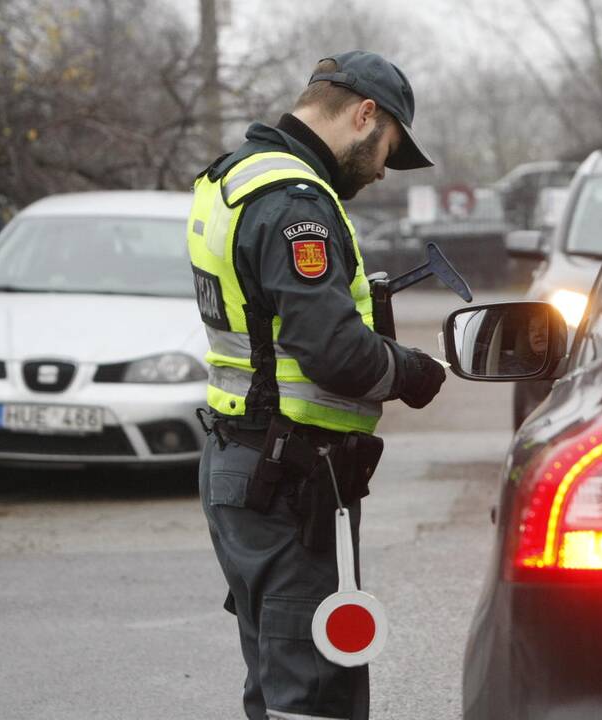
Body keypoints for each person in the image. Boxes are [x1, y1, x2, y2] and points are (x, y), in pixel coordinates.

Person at [186, 50, 446, 720]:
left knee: (277, 684)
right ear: (365, 115)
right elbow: (332, 350)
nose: (384, 167)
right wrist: (412, 372)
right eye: (389, 145)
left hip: (243, 465)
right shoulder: (295, 201)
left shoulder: (232, 177)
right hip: (289, 478)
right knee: (311, 691)